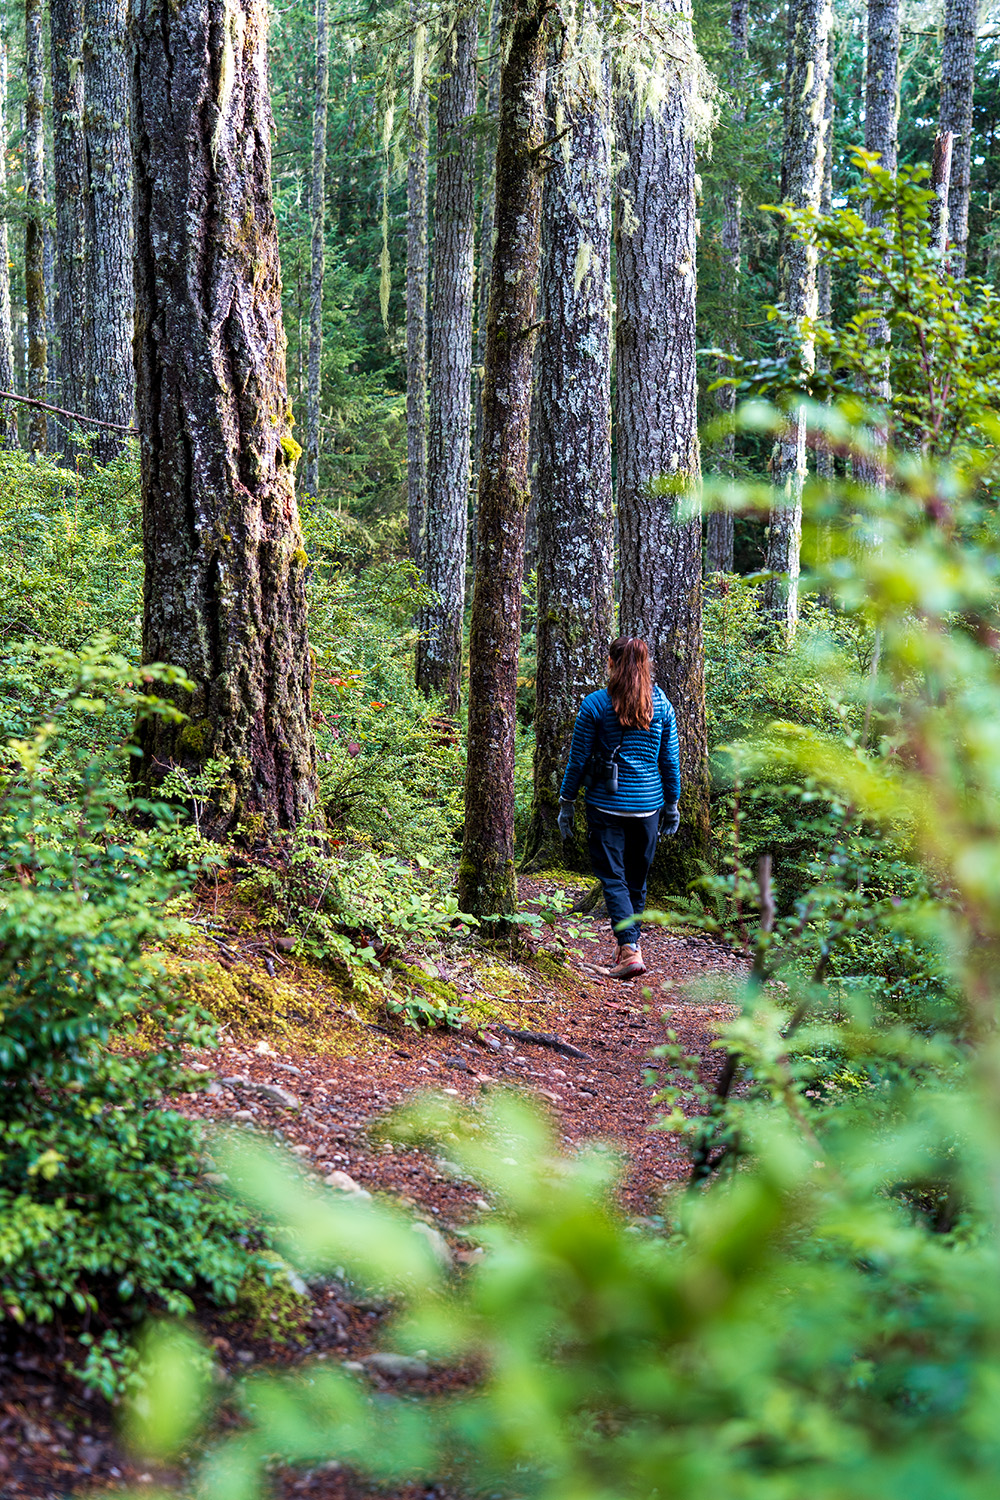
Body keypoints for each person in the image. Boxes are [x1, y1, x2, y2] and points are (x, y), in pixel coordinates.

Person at [557, 637, 680, 979]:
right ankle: (630, 946)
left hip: (606, 804)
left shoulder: (595, 705)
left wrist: (566, 802)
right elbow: (669, 761)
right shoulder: (662, 705)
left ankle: (629, 950)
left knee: (613, 877)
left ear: (610, 662)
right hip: (648, 805)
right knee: (636, 880)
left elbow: (578, 760)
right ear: (646, 665)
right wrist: (672, 803)